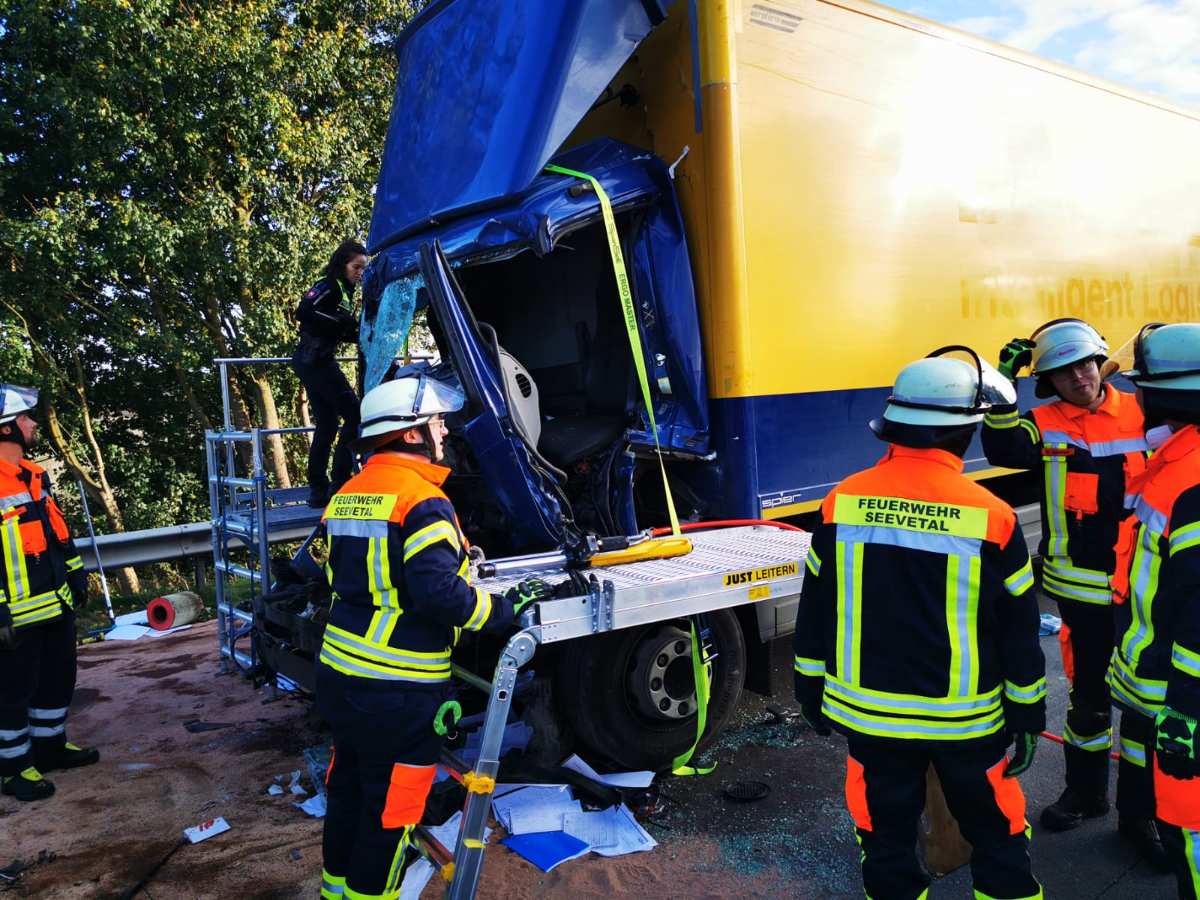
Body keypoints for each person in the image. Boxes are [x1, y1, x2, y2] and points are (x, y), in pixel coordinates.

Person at [794, 349, 1045, 900]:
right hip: (966, 723)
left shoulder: (841, 502)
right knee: (999, 841)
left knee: (885, 846)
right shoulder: (993, 517)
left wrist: (809, 691)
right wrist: (1028, 713)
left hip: (869, 719)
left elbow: (816, 611)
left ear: (893, 427)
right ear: (966, 434)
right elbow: (1019, 631)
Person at [316, 365, 554, 899]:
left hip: (341, 677)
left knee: (350, 792)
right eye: (437, 422)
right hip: (395, 690)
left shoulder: (350, 492)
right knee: (391, 812)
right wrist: (504, 609)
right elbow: (437, 596)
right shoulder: (424, 500)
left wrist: (454, 560)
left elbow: (340, 574)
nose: (445, 430)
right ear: (410, 433)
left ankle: (335, 892)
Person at [981, 318, 1165, 863]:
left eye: (1085, 364)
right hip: (1081, 592)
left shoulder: (1142, 412)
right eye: (1063, 373)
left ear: (1099, 362)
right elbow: (1003, 449)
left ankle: (1142, 814)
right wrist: (1002, 389)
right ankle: (1085, 796)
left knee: (1144, 707)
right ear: (1050, 382)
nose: (1080, 378)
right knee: (1087, 701)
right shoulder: (1042, 424)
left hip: (1141, 589)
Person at [1109, 323, 1200, 898]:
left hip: (1181, 698)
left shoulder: (1190, 482)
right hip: (1158, 685)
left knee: (1191, 832)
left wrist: (1188, 712)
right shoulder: (1176, 462)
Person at [0, 384, 98, 802]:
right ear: (6, 430)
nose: (34, 423)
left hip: (53, 606)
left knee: (57, 682)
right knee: (11, 693)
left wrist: (76, 576)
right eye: (26, 418)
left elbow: (58, 537)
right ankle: (14, 769)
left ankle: (49, 748)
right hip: (15, 618)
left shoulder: (33, 476)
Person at [293, 239, 369, 508]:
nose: (359, 273)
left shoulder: (346, 292)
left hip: (318, 360)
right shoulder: (329, 286)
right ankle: (338, 482)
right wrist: (341, 322)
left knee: (327, 423)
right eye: (356, 267)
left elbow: (340, 329)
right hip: (313, 361)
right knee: (355, 415)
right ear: (343, 264)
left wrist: (361, 336)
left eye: (363, 269)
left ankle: (318, 490)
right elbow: (304, 312)